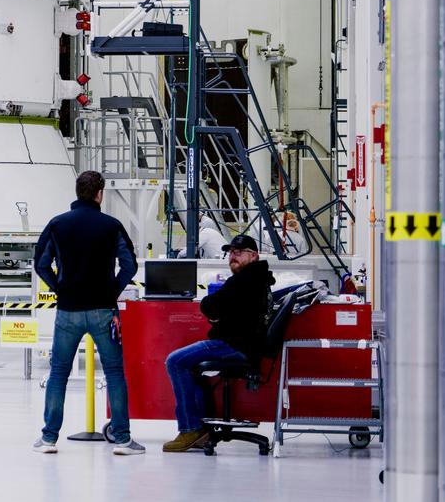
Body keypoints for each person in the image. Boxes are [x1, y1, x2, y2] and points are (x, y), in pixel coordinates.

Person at [32, 170, 143, 455]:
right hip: (103, 311)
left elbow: (41, 264)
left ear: (78, 191)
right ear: (100, 194)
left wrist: (61, 289)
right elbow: (129, 264)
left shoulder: (57, 224)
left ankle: (48, 439)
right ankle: (122, 440)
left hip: (68, 310)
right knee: (115, 373)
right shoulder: (111, 225)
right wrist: (111, 291)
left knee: (59, 373)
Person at [162, 233, 275, 452]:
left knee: (175, 361)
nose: (233, 256)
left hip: (234, 345)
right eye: (231, 252)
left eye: (239, 253)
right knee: (189, 364)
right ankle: (201, 428)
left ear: (253, 256)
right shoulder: (258, 278)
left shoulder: (244, 280)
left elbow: (209, 306)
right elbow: (222, 308)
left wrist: (217, 313)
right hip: (244, 345)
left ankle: (190, 429)